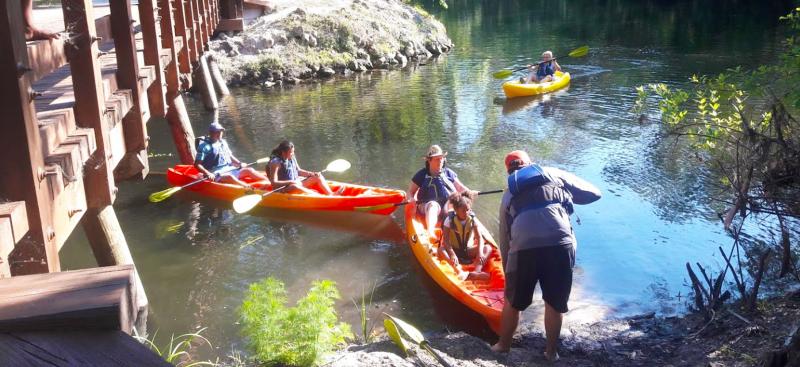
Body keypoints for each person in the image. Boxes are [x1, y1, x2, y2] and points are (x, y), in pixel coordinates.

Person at [491, 150, 601, 362]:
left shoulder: (508, 193)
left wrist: (508, 272)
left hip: (523, 248)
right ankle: (551, 353)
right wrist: (568, 194)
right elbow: (594, 194)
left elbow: (505, 238)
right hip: (560, 244)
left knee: (513, 302)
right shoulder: (553, 174)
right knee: (554, 302)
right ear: (531, 163)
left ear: (509, 171)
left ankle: (503, 346)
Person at [408, 145, 473, 240]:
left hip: (446, 205)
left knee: (460, 204)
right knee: (433, 205)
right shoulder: (422, 174)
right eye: (437, 159)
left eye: (442, 158)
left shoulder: (448, 173)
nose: (440, 161)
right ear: (429, 160)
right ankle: (430, 231)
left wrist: (469, 192)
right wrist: (411, 199)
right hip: (427, 205)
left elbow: (460, 188)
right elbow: (410, 192)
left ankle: (469, 230)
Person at [438, 191, 492, 281]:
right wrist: (452, 254)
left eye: (468, 210)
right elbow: (446, 241)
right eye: (463, 211)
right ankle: (459, 271)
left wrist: (480, 252)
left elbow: (479, 238)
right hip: (455, 251)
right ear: (456, 210)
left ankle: (477, 271)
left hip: (468, 250)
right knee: (441, 250)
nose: (466, 212)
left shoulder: (473, 219)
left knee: (488, 248)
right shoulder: (449, 220)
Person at [194, 122, 267, 187]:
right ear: (211, 133)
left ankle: (269, 182)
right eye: (217, 132)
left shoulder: (223, 142)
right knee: (230, 177)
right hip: (214, 173)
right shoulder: (204, 147)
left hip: (228, 168)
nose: (220, 134)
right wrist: (208, 173)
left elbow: (230, 156)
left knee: (249, 170)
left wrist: (239, 163)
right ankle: (249, 188)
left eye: (221, 131)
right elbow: (197, 164)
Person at [267, 140, 336, 196]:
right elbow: (274, 183)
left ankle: (331, 194)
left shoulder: (291, 157)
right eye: (291, 152)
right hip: (282, 188)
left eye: (293, 151)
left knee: (318, 176)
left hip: (296, 182)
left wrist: (311, 174)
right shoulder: (275, 163)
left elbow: (298, 171)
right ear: (283, 153)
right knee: (295, 186)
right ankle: (319, 196)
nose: (293, 154)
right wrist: (292, 182)